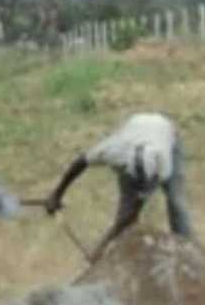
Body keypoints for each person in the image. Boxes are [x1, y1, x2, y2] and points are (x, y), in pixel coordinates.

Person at [44, 112, 193, 262]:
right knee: (126, 214)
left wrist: (102, 246)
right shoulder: (114, 150)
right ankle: (117, 255)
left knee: (176, 202)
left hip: (167, 135)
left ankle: (188, 252)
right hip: (133, 135)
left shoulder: (163, 163)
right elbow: (80, 162)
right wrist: (57, 194)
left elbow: (133, 210)